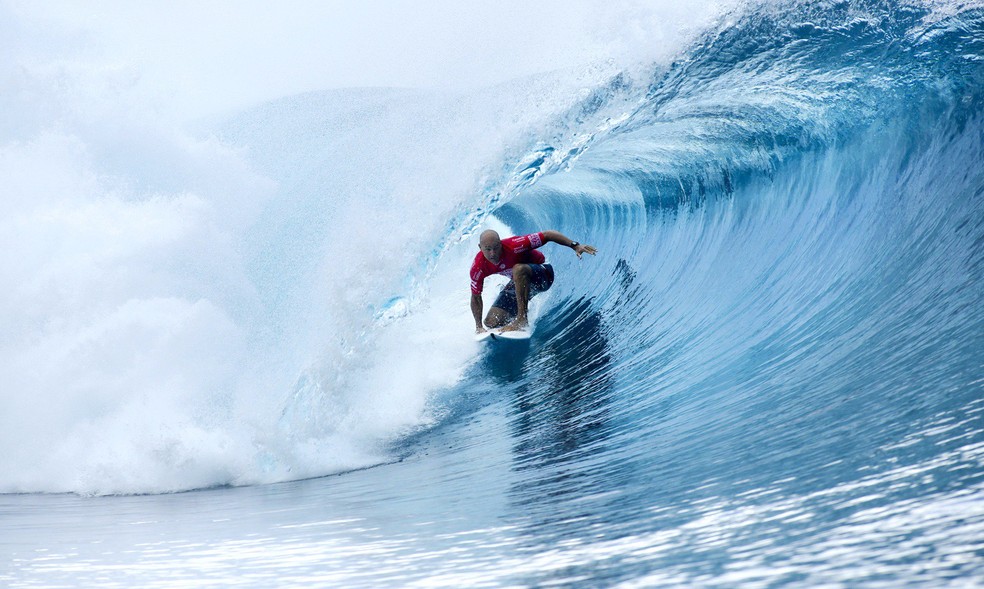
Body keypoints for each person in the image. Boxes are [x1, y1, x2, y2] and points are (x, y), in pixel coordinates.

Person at [470, 229, 598, 333]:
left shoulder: (515, 245)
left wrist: (575, 245)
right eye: (487, 249)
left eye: (496, 248)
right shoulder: (478, 267)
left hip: (543, 275)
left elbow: (547, 235)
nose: (493, 253)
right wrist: (478, 327)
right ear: (480, 247)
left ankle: (521, 320)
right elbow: (476, 297)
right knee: (491, 322)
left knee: (518, 269)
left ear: (501, 244)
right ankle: (518, 314)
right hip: (520, 283)